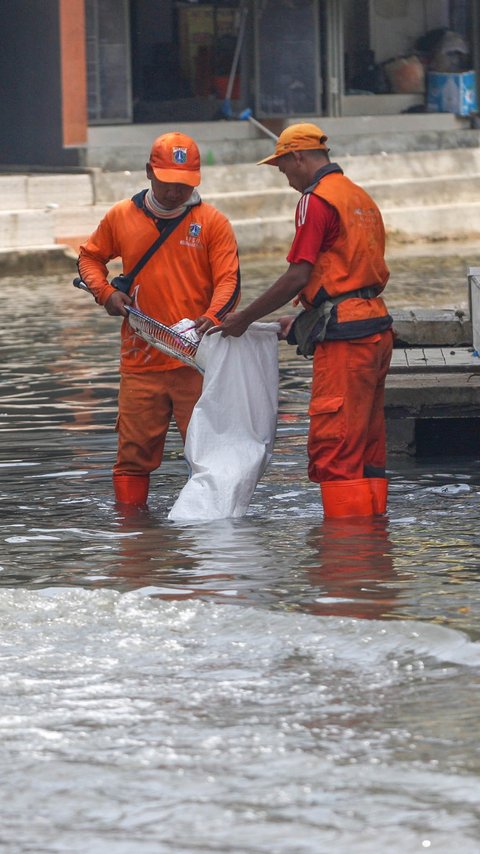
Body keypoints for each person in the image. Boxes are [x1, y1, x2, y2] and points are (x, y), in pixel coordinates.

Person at [210, 123, 393, 518]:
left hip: (347, 337)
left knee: (336, 446)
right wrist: (306, 321)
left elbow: (299, 274)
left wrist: (243, 318)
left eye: (283, 169)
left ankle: (344, 560)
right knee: (366, 445)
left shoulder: (316, 200)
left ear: (298, 157)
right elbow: (350, 276)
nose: (286, 179)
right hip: (375, 328)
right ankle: (375, 553)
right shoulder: (359, 197)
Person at [77, 131, 241, 506]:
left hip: (196, 361)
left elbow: (229, 281)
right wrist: (105, 292)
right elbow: (89, 258)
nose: (174, 192)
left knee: (209, 456)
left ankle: (214, 539)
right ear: (150, 172)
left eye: (184, 185)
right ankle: (132, 537)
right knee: (133, 458)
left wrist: (213, 316)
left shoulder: (213, 222)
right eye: (167, 183)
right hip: (141, 359)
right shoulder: (121, 216)